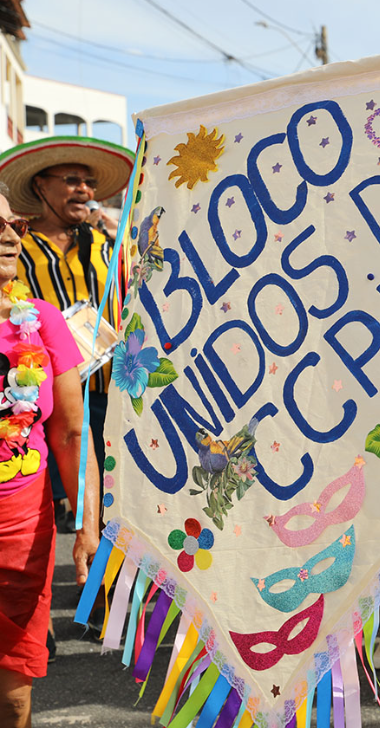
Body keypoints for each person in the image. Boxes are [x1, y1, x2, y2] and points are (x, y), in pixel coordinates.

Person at [0, 182, 100, 728]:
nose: (9, 234)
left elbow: (69, 432)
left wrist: (87, 523)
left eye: (14, 223)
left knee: (14, 698)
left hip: (23, 530)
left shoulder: (43, 320)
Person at [0, 136, 133, 529]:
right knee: (59, 512)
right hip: (46, 393)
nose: (85, 191)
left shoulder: (107, 244)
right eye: (72, 179)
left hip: (113, 390)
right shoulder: (17, 244)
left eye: (89, 183)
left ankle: (105, 586)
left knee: (116, 501)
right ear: (41, 186)